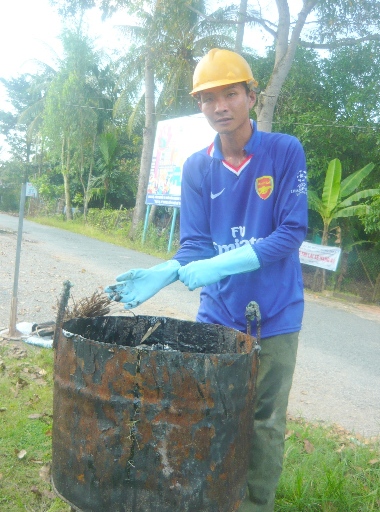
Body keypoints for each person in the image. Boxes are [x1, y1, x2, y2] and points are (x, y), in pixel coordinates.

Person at [106, 48, 308, 512]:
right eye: (208, 98)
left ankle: (255, 504)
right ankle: (210, 497)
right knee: (211, 409)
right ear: (200, 105)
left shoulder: (283, 151)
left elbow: (291, 232)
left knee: (263, 421)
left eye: (231, 94)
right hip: (217, 312)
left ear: (251, 96)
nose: (220, 106)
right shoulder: (197, 167)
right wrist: (168, 269)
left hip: (275, 312)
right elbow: (195, 244)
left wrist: (226, 262)